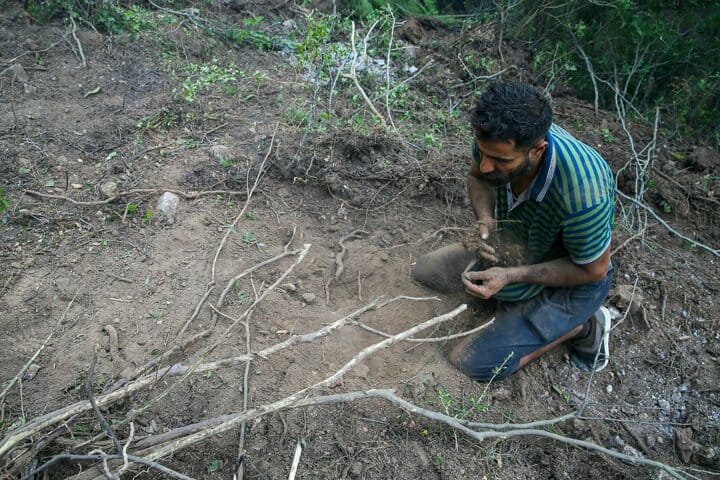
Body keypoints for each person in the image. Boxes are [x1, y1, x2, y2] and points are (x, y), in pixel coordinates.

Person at [412, 81, 615, 381]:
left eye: (500, 161)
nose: (486, 166)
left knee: (470, 363)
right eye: (483, 154)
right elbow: (476, 178)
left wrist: (510, 276)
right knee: (424, 270)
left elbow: (593, 270)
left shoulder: (584, 193)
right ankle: (509, 302)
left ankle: (582, 325)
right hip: (519, 244)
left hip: (573, 280)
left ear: (537, 150)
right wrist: (485, 219)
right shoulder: (493, 142)